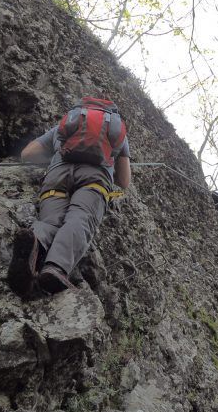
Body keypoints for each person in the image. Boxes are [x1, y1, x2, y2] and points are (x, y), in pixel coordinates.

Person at [7, 98, 131, 296]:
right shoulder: (116, 132)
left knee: (51, 222)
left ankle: (35, 240)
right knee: (80, 218)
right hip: (94, 179)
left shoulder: (66, 126)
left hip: (57, 176)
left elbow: (27, 154)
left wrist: (55, 156)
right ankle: (55, 268)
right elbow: (124, 181)